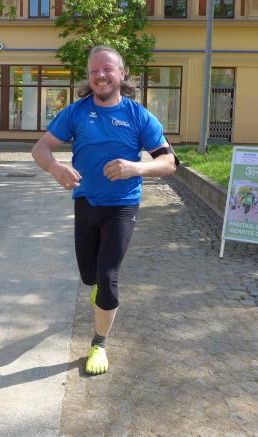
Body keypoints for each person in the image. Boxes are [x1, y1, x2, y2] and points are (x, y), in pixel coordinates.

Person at [32, 45, 178, 376]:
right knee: (89, 276)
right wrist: (55, 168)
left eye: (108, 69)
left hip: (122, 205)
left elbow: (169, 163)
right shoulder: (76, 112)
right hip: (86, 201)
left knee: (108, 274)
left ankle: (99, 343)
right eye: (95, 70)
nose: (101, 75)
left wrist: (136, 168)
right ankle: (97, 286)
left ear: (122, 74)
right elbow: (41, 149)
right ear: (88, 76)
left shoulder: (138, 115)